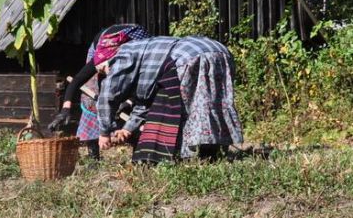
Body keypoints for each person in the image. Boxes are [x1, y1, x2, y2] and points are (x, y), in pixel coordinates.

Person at [94, 34, 244, 163]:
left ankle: (191, 157)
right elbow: (145, 101)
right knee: (210, 106)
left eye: (103, 69)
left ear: (110, 58)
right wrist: (127, 129)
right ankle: (213, 154)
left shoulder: (122, 55)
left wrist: (104, 133)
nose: (106, 74)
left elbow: (107, 96)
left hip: (189, 57)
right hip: (221, 52)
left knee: (184, 110)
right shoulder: (141, 52)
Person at [47, 24, 151, 159]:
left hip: (135, 50)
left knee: (130, 98)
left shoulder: (138, 58)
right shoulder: (102, 56)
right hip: (104, 44)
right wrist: (65, 109)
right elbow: (77, 80)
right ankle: (93, 153)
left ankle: (138, 151)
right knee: (93, 96)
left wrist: (128, 102)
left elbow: (143, 88)